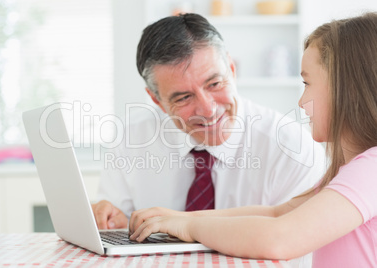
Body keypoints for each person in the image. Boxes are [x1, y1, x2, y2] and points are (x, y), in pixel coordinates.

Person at [128, 12, 377, 267]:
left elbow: (280, 238)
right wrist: (177, 219)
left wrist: (190, 225)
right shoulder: (352, 172)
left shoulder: (371, 170)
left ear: (345, 89)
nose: (301, 102)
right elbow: (275, 214)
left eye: (307, 83)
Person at [91, 13, 325, 233]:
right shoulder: (130, 138)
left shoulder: (292, 148)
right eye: (184, 97)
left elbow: (294, 248)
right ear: (157, 100)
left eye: (214, 84)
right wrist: (113, 222)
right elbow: (115, 223)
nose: (208, 110)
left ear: (232, 70)